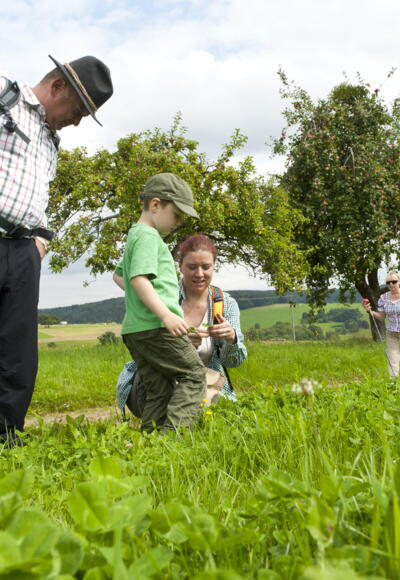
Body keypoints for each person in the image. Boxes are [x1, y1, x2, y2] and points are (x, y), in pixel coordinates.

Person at [0, 55, 113, 445]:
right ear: (58, 86)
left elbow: (39, 196)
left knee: (17, 354)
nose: (78, 121)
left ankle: (5, 438)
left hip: (23, 252)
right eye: (79, 110)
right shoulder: (5, 97)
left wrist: (41, 240)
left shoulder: (52, 142)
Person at [113, 173, 207, 433]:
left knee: (159, 388)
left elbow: (120, 276)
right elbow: (139, 278)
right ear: (155, 205)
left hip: (136, 330)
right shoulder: (147, 237)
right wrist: (165, 314)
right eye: (176, 214)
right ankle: (174, 439)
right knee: (193, 375)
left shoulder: (136, 235)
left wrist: (141, 298)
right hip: (156, 327)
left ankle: (153, 446)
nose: (178, 222)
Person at [116, 233, 247, 415]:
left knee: (208, 413)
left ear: (213, 267)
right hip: (157, 381)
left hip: (208, 384)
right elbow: (142, 346)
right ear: (180, 267)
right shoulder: (159, 298)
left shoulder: (224, 304)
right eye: (192, 267)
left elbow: (232, 363)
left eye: (206, 267)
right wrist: (178, 344)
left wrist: (232, 339)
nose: (199, 274)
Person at [362, 271, 400, 377]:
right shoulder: (384, 298)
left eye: (394, 281)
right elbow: (382, 317)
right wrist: (370, 311)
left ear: (399, 282)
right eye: (388, 283)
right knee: (393, 359)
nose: (391, 284)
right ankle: (394, 384)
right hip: (392, 332)